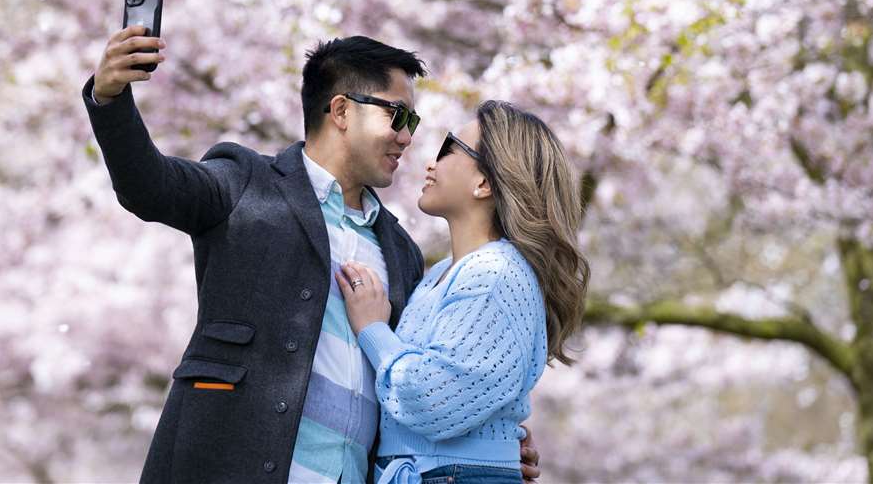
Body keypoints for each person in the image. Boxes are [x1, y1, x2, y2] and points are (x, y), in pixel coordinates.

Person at [82, 28, 541, 484]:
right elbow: (150, 186)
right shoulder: (247, 185)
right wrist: (110, 98)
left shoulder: (400, 250)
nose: (407, 138)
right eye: (398, 116)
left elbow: (409, 375)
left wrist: (489, 448)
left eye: (413, 123)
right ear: (341, 110)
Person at [335, 100, 589, 484]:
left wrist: (373, 329)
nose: (431, 164)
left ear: (484, 183)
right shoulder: (443, 274)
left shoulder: (494, 274)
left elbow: (435, 400)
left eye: (449, 149)